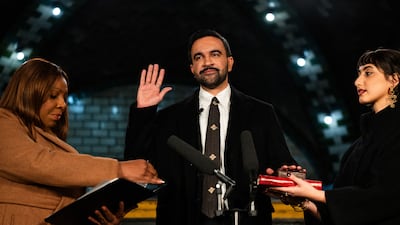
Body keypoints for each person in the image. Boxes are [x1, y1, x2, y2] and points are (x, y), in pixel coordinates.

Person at [124, 29, 299, 225]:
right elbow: (135, 163)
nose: (207, 62)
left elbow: (281, 164)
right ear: (192, 68)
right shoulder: (168, 118)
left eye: (215, 54)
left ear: (230, 62)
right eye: (199, 57)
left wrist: (284, 173)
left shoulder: (261, 113)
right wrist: (144, 111)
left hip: (245, 219)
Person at [0, 58, 164, 225]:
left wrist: (100, 218)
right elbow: (37, 162)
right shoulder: (3, 122)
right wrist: (118, 169)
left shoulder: (49, 139)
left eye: (64, 97)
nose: (62, 104)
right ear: (29, 92)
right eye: (53, 95)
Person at [269, 48, 400, 225]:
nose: (357, 82)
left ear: (394, 79)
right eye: (359, 74)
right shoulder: (357, 146)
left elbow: (387, 197)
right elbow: (343, 214)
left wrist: (316, 194)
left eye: (368, 73)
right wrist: (303, 200)